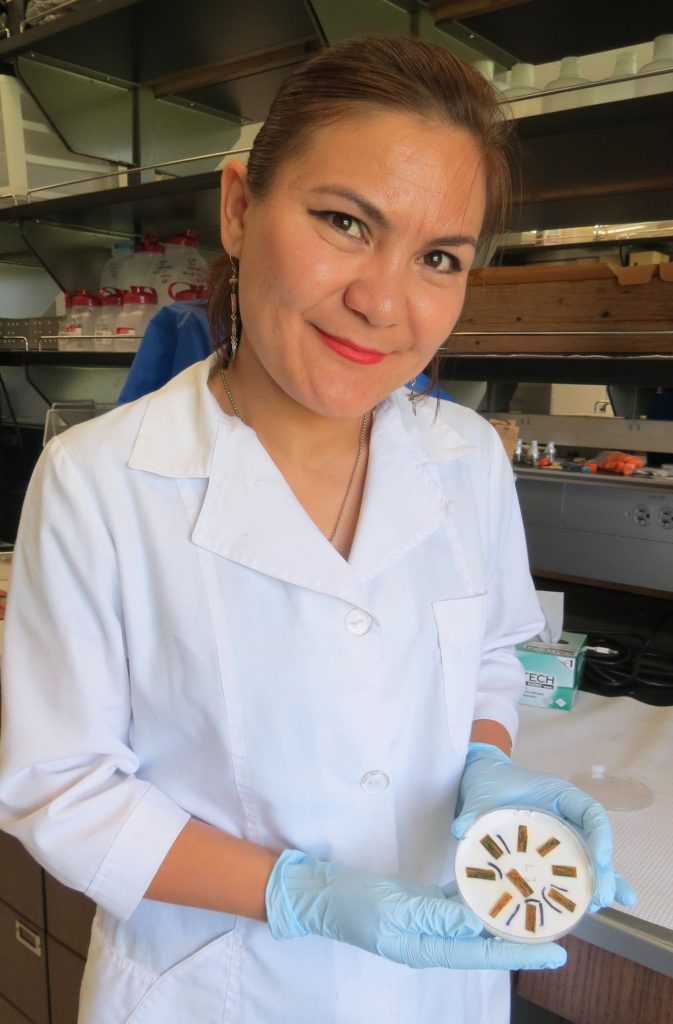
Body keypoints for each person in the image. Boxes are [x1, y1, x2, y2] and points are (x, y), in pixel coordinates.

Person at [0, 37, 635, 1024]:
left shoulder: (464, 457)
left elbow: (489, 663)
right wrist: (297, 891)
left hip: (438, 989)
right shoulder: (98, 484)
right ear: (240, 207)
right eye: (345, 221)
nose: (383, 299)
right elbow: (61, 788)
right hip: (215, 990)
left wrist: (485, 765)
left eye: (438, 258)